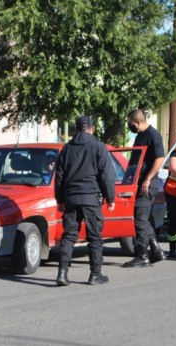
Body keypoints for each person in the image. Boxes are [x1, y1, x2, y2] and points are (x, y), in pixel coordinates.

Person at [54, 115, 116, 286]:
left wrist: (60, 199)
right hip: (91, 197)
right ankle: (95, 274)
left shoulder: (66, 149)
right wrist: (110, 197)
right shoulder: (98, 147)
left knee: (69, 235)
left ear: (76, 128)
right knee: (95, 236)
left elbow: (59, 177)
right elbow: (107, 175)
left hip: (71, 198)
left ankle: (62, 273)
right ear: (92, 128)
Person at [123, 109, 166, 268]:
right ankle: (156, 251)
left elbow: (160, 158)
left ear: (138, 122)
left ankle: (141, 255)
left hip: (147, 183)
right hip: (139, 182)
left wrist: (147, 178)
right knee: (144, 218)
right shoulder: (141, 135)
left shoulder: (153, 135)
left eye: (130, 124)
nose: (130, 127)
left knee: (140, 219)